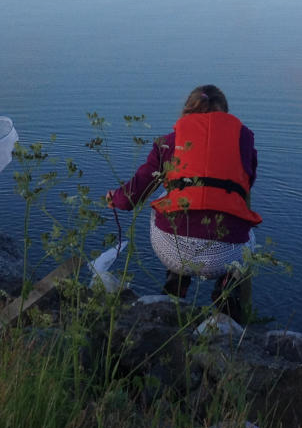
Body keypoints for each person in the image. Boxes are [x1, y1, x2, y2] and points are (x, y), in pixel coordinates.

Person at [107, 84, 261, 317]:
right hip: (226, 256)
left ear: (187, 111)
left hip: (172, 251)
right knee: (247, 226)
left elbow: (131, 199)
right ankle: (227, 290)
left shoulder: (169, 142)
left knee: (165, 197)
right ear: (224, 115)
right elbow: (245, 185)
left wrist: (114, 198)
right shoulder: (244, 140)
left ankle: (176, 280)